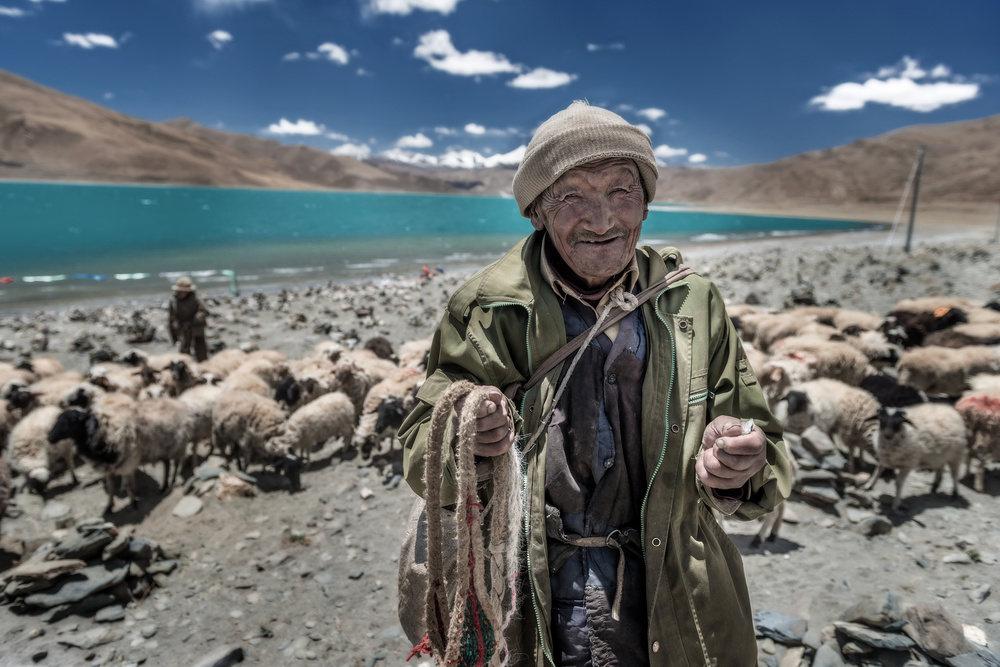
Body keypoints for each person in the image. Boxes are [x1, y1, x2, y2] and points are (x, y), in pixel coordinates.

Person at [398, 101, 793, 666]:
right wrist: (468, 442)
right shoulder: (488, 309)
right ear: (537, 211)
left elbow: (768, 455)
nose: (603, 219)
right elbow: (420, 450)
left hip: (671, 588)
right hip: (530, 598)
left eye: (622, 191)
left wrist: (739, 465)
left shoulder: (692, 302)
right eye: (572, 196)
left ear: (647, 204)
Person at [168, 276, 209, 362]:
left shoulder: (195, 299)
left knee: (201, 352)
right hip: (182, 329)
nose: (179, 293)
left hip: (197, 328)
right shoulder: (174, 301)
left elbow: (204, 312)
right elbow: (171, 319)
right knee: (184, 353)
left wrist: (192, 320)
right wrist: (174, 336)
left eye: (181, 291)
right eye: (178, 291)